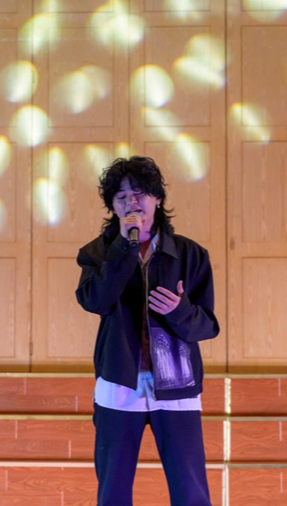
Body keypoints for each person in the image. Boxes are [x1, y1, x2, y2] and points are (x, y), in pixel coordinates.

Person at [76, 156, 220, 506]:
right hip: (118, 381)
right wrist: (123, 249)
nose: (131, 203)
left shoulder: (190, 254)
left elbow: (207, 325)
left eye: (139, 193)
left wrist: (178, 311)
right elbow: (94, 301)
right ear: (112, 206)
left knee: (190, 491)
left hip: (177, 382)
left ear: (157, 198)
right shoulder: (97, 253)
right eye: (121, 197)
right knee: (112, 490)